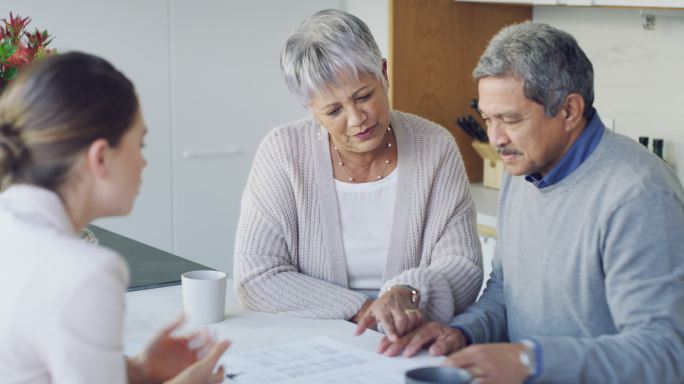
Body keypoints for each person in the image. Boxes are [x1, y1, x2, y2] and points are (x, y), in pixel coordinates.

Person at [377, 22, 684, 383]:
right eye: (487, 118)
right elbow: (506, 291)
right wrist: (462, 332)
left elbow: (666, 353)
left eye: (510, 119)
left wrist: (531, 360)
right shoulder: (523, 167)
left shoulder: (638, 195)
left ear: (569, 111)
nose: (495, 138)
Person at [233, 9, 482, 341]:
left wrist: (409, 292)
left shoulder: (435, 147)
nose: (356, 119)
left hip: (407, 343)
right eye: (333, 110)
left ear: (383, 73)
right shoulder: (283, 152)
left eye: (364, 96)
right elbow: (255, 277)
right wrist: (365, 309)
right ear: (310, 109)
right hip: (310, 344)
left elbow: (464, 265)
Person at [0, 52, 230, 383]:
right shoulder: (86, 274)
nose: (144, 162)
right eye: (141, 143)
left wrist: (136, 371)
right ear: (101, 157)